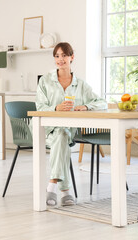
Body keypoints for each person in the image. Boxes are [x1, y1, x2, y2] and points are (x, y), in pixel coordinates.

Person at [36, 42, 107, 206]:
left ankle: (52, 187)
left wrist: (86, 106)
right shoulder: (45, 81)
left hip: (68, 131)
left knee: (62, 136)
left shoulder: (80, 84)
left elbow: (102, 102)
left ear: (72, 57)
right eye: (57, 56)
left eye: (64, 55)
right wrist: (56, 108)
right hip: (46, 131)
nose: (60, 59)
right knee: (61, 137)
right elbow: (39, 107)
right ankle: (65, 190)